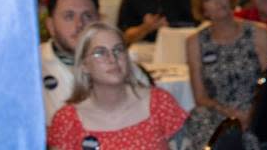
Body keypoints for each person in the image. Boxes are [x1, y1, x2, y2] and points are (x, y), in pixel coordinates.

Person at [46, 22, 187, 149]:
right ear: (84, 65)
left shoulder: (159, 103)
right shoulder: (67, 121)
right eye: (100, 52)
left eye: (118, 50)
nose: (112, 59)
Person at [181, 0, 267, 150]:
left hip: (256, 110)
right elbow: (200, 97)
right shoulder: (195, 42)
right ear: (203, 10)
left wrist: (250, 114)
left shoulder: (258, 33)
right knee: (199, 118)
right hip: (219, 112)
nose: (218, 1)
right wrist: (229, 114)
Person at [41, 0, 100, 126]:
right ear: (51, 26)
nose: (79, 24)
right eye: (69, 16)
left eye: (87, 16)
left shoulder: (119, 64)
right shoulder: (31, 65)